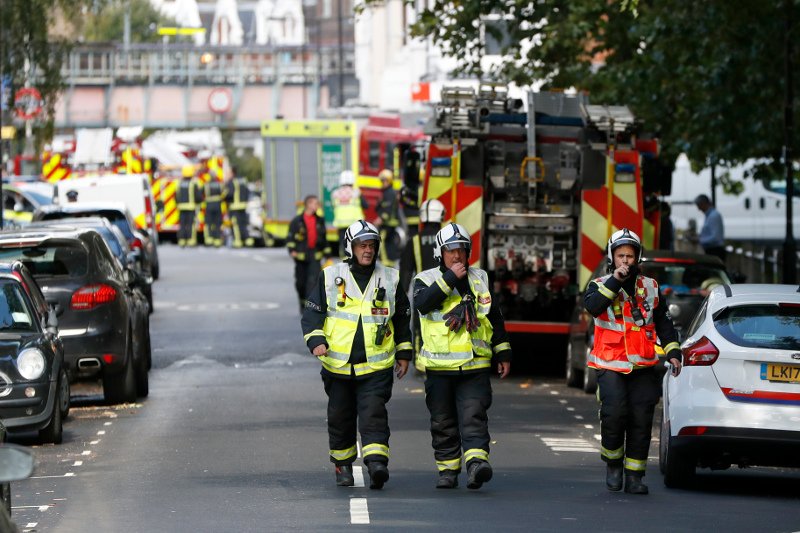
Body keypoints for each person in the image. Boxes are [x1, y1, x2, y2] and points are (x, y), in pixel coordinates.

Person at [301, 220, 412, 489]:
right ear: (350, 247)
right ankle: (343, 465)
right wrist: (316, 340)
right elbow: (312, 314)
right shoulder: (330, 276)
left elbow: (401, 320)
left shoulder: (390, 278)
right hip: (337, 366)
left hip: (375, 366)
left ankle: (376, 464)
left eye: (372, 245)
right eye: (363, 245)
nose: (368, 250)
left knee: (374, 412)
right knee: (341, 416)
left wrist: (404, 351)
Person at [413, 222, 512, 490]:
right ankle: (447, 470)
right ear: (440, 252)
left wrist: (503, 352)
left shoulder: (480, 278)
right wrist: (449, 280)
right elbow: (423, 305)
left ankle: (477, 465)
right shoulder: (425, 279)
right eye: (451, 251)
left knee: (474, 416)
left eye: (461, 250)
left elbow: (495, 317)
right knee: (442, 421)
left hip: (474, 364)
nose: (457, 256)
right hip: (439, 366)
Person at [584, 228, 682, 495]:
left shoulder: (650, 287)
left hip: (644, 365)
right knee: (615, 415)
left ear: (638, 258)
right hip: (610, 364)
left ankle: (635, 475)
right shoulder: (600, 285)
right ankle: (613, 464)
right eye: (620, 256)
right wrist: (615, 282)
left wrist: (673, 352)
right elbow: (592, 307)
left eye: (630, 256)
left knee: (641, 419)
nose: (625, 261)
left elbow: (663, 322)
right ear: (612, 258)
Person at [287, 195, 330, 312]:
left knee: (313, 282)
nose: (317, 206)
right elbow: (290, 238)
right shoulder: (297, 221)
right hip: (301, 256)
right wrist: (292, 251)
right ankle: (302, 302)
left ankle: (310, 307)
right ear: (309, 204)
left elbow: (324, 239)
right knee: (300, 283)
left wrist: (327, 255)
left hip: (315, 256)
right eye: (316, 204)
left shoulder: (320, 220)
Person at [331, 170, 366, 258]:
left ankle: (344, 262)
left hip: (341, 224)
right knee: (355, 244)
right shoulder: (356, 193)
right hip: (355, 225)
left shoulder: (335, 194)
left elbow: (334, 207)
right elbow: (366, 205)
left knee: (343, 245)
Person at [375, 169, 400, 266]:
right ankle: (390, 263)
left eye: (384, 180)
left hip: (388, 223)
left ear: (389, 181)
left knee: (383, 242)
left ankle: (386, 263)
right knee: (390, 243)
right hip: (391, 223)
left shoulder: (389, 193)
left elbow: (387, 208)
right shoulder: (389, 192)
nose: (382, 183)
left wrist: (381, 218)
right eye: (381, 181)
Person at [224, 167, 254, 248]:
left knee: (236, 225)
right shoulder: (243, 180)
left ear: (232, 173)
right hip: (243, 206)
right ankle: (248, 241)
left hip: (234, 206)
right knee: (244, 224)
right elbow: (248, 191)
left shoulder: (231, 182)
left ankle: (238, 241)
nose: (227, 175)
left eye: (228, 173)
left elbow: (229, 194)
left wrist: (224, 198)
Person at [177, 164, 203, 247]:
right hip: (191, 207)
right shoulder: (193, 184)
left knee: (182, 225)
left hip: (181, 208)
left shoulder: (179, 184)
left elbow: (176, 196)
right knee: (190, 225)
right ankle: (190, 241)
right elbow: (198, 197)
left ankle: (182, 241)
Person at [694, 194, 725, 261]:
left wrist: (699, 240)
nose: (699, 209)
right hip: (712, 250)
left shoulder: (713, 216)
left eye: (699, 206)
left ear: (704, 204)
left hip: (715, 251)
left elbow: (715, 237)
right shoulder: (710, 215)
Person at [203, 177, 224, 247]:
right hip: (218, 206)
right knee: (217, 223)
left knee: (208, 223)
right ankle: (217, 240)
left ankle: (209, 240)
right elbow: (224, 193)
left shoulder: (206, 185)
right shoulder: (219, 184)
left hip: (209, 206)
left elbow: (200, 194)